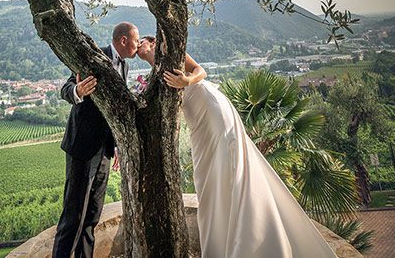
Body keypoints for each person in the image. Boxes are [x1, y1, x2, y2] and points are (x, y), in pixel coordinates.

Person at [136, 35, 337, 258]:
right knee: (207, 181)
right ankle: (220, 246)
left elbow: (201, 71)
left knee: (228, 169)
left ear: (151, 43)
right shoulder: (153, 75)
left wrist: (187, 81)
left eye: (140, 42)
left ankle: (247, 242)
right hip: (198, 123)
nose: (138, 46)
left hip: (211, 109)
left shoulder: (169, 51)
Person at [52, 22, 140, 258]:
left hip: (104, 151)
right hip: (82, 148)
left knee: (92, 215)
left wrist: (118, 145)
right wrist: (78, 91)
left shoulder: (126, 67)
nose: (138, 44)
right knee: (74, 216)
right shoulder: (94, 56)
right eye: (136, 39)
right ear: (123, 40)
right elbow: (66, 88)